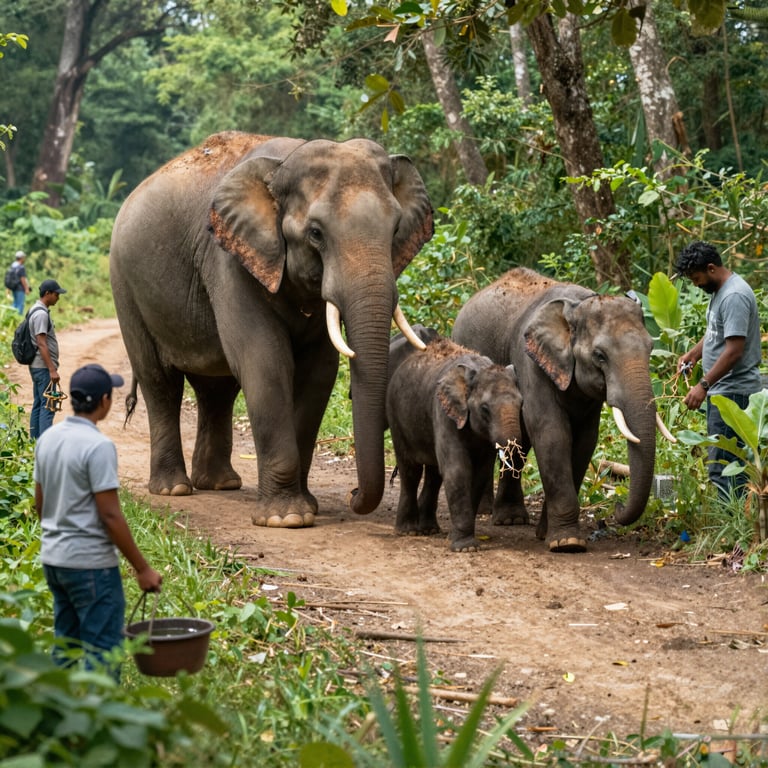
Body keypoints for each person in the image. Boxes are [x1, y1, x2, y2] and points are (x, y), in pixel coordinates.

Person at [34, 363, 163, 677]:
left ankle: (55, 715)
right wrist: (142, 568)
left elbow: (40, 504)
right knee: (103, 652)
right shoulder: (99, 446)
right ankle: (98, 721)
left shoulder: (48, 439)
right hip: (90, 567)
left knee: (66, 645)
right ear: (104, 401)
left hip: (54, 560)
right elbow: (109, 513)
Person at [676, 241, 763, 497]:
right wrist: (693, 353)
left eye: (696, 278)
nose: (696, 284)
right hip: (722, 390)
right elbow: (717, 334)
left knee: (724, 469)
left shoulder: (734, 296)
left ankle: (734, 529)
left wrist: (703, 385)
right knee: (724, 466)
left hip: (733, 392)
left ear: (711, 268)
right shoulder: (720, 292)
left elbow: (734, 351)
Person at [28, 278, 67, 439]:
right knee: (48, 406)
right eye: (56, 294)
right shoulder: (41, 314)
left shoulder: (34, 310)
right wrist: (52, 369)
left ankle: (35, 443)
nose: (58, 297)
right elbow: (41, 343)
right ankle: (44, 446)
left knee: (38, 404)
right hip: (43, 367)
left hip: (37, 366)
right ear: (47, 294)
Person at [7, 250, 31, 315]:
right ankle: (17, 319)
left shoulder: (13, 265)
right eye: (24, 257)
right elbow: (22, 279)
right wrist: (26, 289)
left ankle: (10, 318)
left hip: (13, 288)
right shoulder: (21, 267)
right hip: (20, 289)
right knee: (20, 304)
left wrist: (8, 289)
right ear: (22, 258)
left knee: (15, 303)